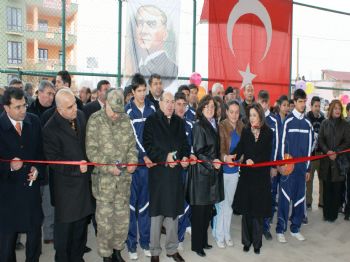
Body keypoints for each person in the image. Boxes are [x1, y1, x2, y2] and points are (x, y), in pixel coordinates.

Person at [86, 88, 138, 262]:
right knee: (105, 223)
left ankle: (117, 251)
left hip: (123, 182)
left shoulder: (125, 119)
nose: (116, 115)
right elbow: (91, 151)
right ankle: (106, 256)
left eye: (119, 111)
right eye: (113, 111)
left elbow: (132, 146)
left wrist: (132, 161)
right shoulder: (95, 120)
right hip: (105, 183)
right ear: (106, 103)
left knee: (122, 221)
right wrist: (109, 167)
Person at [43, 88, 94, 262]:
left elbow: (86, 144)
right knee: (64, 235)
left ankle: (77, 258)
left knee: (80, 230)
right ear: (60, 110)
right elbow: (53, 161)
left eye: (75, 104)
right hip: (66, 190)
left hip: (83, 186)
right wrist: (75, 169)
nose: (75, 109)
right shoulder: (50, 128)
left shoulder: (80, 115)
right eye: (70, 107)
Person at [143, 92, 190, 262]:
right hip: (159, 174)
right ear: (160, 103)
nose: (170, 105)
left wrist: (185, 157)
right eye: (167, 102)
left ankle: (172, 249)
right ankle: (154, 251)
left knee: (173, 215)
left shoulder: (179, 122)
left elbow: (185, 145)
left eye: (173, 102)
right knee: (156, 216)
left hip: (175, 174)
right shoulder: (151, 121)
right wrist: (165, 157)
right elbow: (148, 146)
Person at [0, 87, 44, 262]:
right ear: (6, 107)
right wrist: (9, 167)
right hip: (7, 195)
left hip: (31, 193)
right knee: (6, 243)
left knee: (34, 238)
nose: (23, 110)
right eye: (17, 107)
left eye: (24, 105)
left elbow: (41, 154)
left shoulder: (34, 122)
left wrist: (37, 169)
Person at [232, 103, 273, 255]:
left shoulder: (268, 133)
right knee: (246, 212)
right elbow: (241, 148)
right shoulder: (246, 130)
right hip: (247, 177)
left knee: (258, 213)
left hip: (261, 178)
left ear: (261, 116)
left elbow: (266, 154)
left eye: (254, 115)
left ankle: (257, 243)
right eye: (250, 116)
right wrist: (234, 155)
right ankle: (246, 241)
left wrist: (253, 160)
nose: (252, 118)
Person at [186, 95, 224, 257]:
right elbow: (199, 152)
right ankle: (196, 245)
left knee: (208, 210)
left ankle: (204, 241)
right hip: (201, 174)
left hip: (211, 173)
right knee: (199, 212)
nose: (210, 109)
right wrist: (212, 162)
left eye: (212, 107)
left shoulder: (213, 125)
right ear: (201, 109)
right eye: (207, 107)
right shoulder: (198, 126)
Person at [276, 89, 314, 243]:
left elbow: (310, 148)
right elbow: (282, 144)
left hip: (301, 169)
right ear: (295, 102)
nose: (303, 104)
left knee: (299, 199)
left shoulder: (308, 124)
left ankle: (295, 228)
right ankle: (281, 229)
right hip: (288, 168)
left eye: (304, 102)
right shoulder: (288, 122)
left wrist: (308, 169)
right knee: (284, 198)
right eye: (300, 101)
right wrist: (282, 164)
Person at [125, 74, 156, 260]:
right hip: (134, 166)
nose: (143, 94)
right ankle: (131, 245)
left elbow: (153, 134)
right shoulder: (128, 111)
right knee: (132, 206)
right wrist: (144, 155)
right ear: (133, 92)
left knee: (145, 206)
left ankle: (145, 242)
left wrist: (152, 154)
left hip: (149, 166)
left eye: (145, 90)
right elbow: (133, 138)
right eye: (139, 91)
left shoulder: (152, 109)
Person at [27, 80, 56, 245]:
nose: (51, 97)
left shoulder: (54, 112)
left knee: (49, 201)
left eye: (53, 94)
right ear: (40, 93)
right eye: (49, 94)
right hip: (32, 163)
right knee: (31, 201)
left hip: (49, 164)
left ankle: (49, 234)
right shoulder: (29, 111)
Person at [213, 100, 243, 248]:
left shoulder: (242, 126)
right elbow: (219, 149)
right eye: (231, 112)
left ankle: (227, 233)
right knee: (221, 205)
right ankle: (219, 235)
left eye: (237, 112)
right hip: (223, 170)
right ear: (227, 112)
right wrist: (226, 158)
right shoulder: (221, 126)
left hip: (235, 171)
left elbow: (244, 148)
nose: (234, 115)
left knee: (229, 205)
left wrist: (241, 159)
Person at [318, 100, 350, 222]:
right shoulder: (324, 123)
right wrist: (327, 151)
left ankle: (333, 215)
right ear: (331, 109)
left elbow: (347, 142)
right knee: (327, 189)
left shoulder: (345, 124)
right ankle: (326, 214)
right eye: (335, 108)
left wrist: (336, 151)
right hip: (326, 161)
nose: (337, 110)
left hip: (339, 162)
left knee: (337, 189)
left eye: (339, 108)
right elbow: (320, 139)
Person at [133, 5, 178, 89]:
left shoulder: (170, 68)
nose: (143, 31)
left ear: (165, 34)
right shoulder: (139, 65)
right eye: (140, 24)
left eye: (151, 24)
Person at [174, 92, 197, 248]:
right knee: (173, 206)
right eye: (179, 104)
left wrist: (191, 156)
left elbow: (193, 146)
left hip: (186, 170)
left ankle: (180, 237)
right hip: (170, 171)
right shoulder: (167, 123)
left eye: (184, 104)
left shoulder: (190, 124)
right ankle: (173, 236)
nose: (181, 108)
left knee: (185, 204)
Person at [257, 90, 280, 241]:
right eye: (261, 101)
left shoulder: (274, 120)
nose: (264, 104)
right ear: (258, 102)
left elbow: (277, 144)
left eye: (266, 102)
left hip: (268, 165)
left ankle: (265, 227)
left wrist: (273, 165)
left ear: (269, 102)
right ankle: (256, 227)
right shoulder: (253, 118)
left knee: (269, 197)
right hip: (255, 166)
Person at [306, 96, 326, 210]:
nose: (318, 108)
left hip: (321, 153)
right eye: (315, 106)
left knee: (322, 179)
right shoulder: (307, 118)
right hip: (310, 154)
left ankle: (322, 201)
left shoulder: (323, 119)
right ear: (311, 106)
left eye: (319, 106)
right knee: (309, 178)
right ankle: (308, 201)